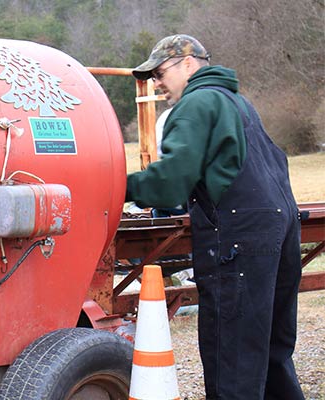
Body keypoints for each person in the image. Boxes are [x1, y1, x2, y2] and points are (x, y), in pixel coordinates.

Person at [127, 34, 304, 399]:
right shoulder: (239, 103)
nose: (156, 84)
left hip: (240, 240)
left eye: (159, 73)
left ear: (187, 65)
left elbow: (171, 184)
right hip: (280, 234)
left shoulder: (196, 104)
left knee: (233, 360)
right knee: (270, 354)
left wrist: (113, 185)